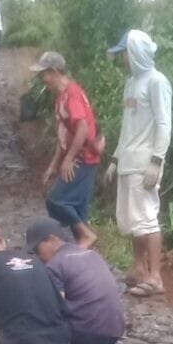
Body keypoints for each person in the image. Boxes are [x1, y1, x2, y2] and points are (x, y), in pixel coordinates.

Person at [104, 30, 172, 297]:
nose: (123, 58)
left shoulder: (157, 82)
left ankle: (155, 276)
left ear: (136, 53)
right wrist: (115, 158)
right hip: (128, 161)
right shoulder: (131, 83)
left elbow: (164, 124)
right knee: (132, 220)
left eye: (125, 52)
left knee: (146, 218)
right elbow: (127, 126)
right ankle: (139, 268)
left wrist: (157, 160)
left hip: (145, 161)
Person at [25, 217, 125, 344]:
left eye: (36, 249)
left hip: (86, 337)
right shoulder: (92, 254)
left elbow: (53, 312)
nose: (37, 256)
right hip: (114, 333)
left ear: (51, 239)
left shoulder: (54, 266)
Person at [32, 52, 102, 249]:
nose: (42, 79)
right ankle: (82, 251)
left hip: (84, 158)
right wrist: (54, 165)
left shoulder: (72, 95)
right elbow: (62, 137)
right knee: (78, 210)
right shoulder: (61, 98)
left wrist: (69, 159)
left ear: (54, 72)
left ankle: (86, 236)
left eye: (43, 74)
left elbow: (83, 128)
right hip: (80, 157)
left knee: (56, 200)